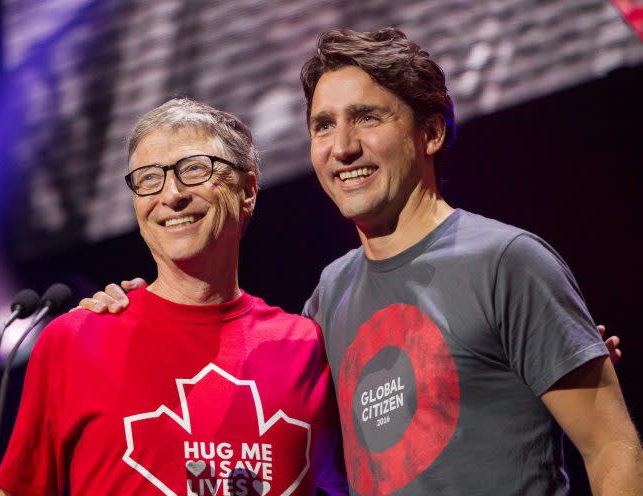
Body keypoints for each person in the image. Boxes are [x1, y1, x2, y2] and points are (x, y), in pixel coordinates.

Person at [81, 27, 641, 495]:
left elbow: (613, 448)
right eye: (323, 125)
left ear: (431, 131)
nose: (341, 147)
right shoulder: (329, 295)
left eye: (367, 118)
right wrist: (134, 310)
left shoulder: (508, 261)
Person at [0, 98, 348, 495]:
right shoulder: (76, 341)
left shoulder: (306, 346)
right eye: (148, 178)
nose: (171, 194)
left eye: (194, 169)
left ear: (247, 191)